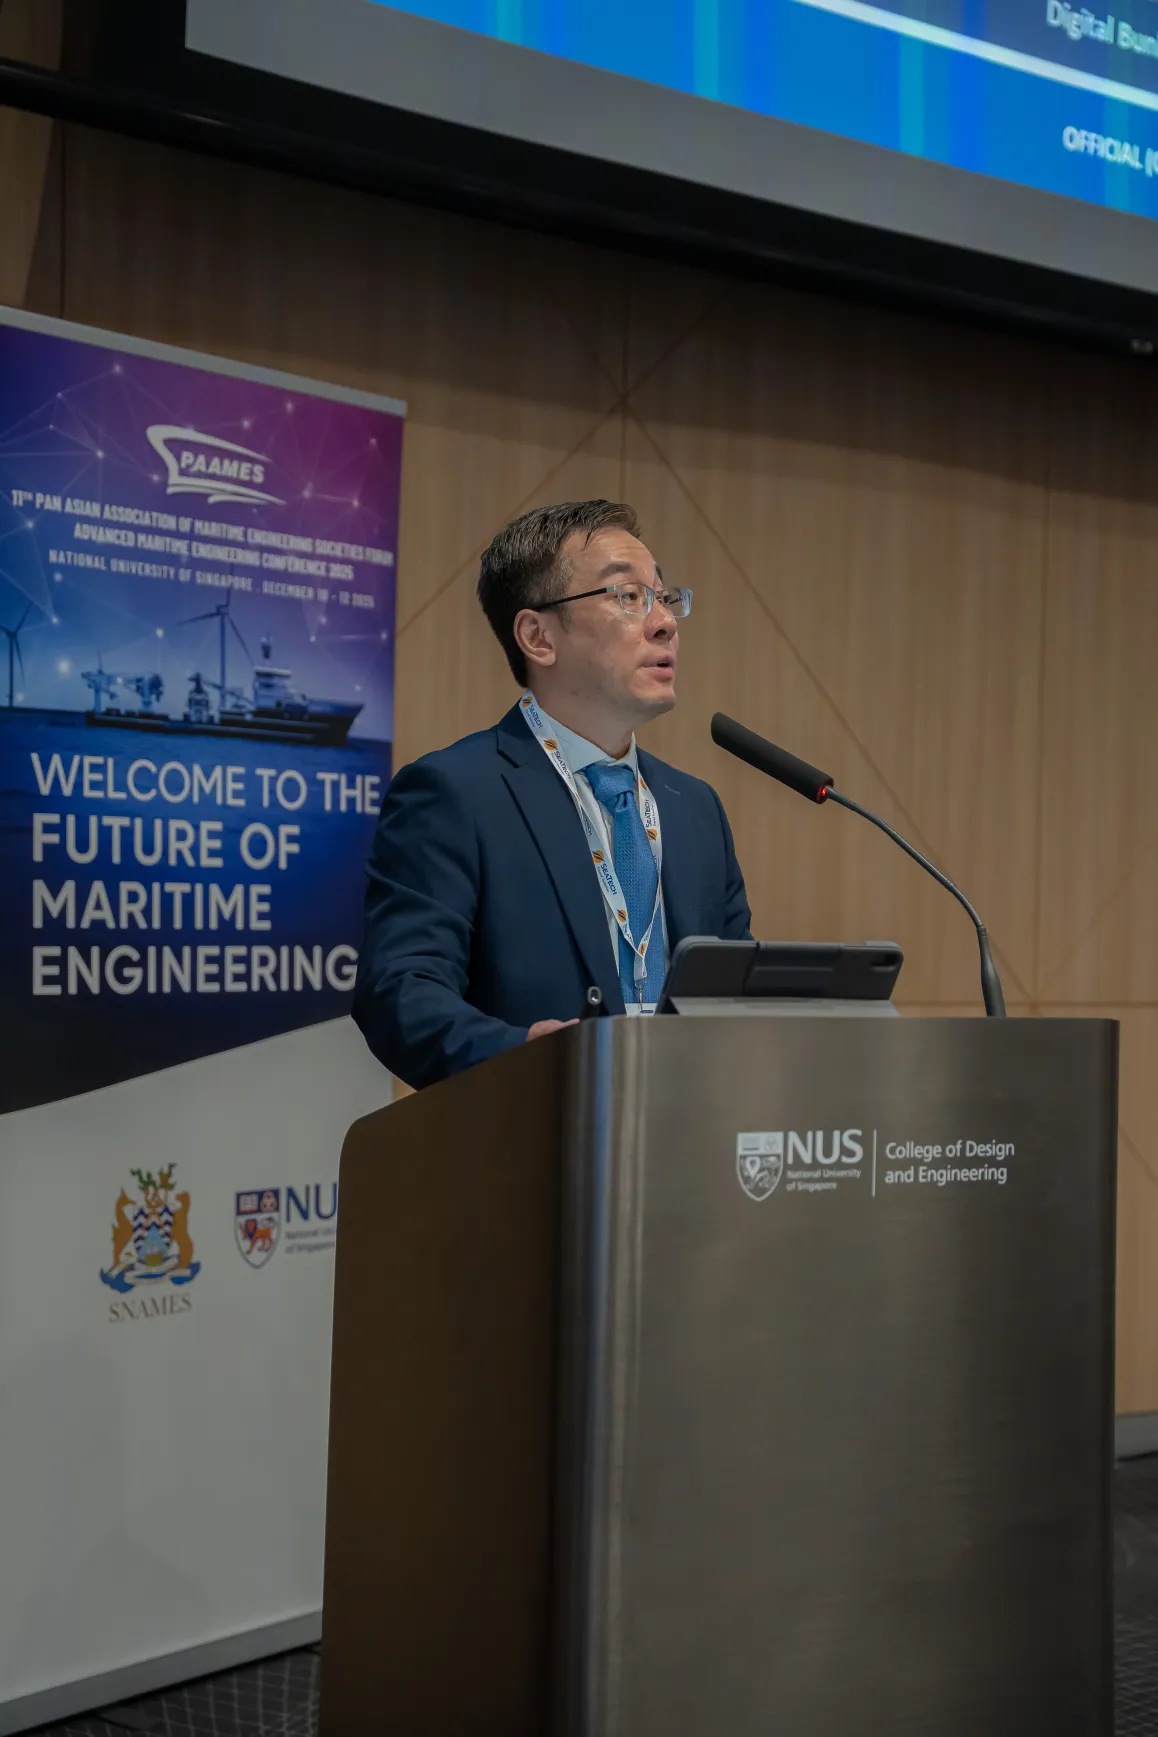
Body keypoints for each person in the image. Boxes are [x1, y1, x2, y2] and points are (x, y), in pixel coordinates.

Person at [354, 499, 751, 1089]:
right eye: (628, 596)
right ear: (537, 637)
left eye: (665, 597)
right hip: (533, 1128)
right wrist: (521, 1055)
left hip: (683, 1131)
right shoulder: (456, 794)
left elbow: (738, 995)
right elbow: (400, 993)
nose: (665, 622)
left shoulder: (694, 808)